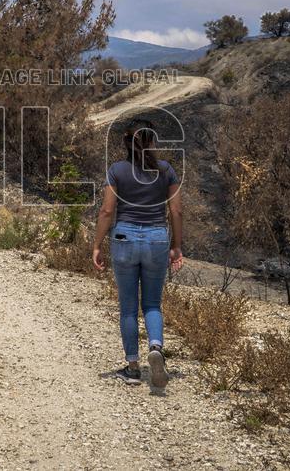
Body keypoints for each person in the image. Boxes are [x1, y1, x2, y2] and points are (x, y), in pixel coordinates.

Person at [92, 118, 183, 389]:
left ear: (127, 144)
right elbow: (176, 211)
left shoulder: (117, 170)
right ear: (152, 141)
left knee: (129, 308)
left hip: (124, 237)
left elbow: (107, 211)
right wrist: (177, 245)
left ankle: (132, 368)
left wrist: (97, 244)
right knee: (153, 304)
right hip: (157, 238)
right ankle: (156, 347)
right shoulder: (166, 170)